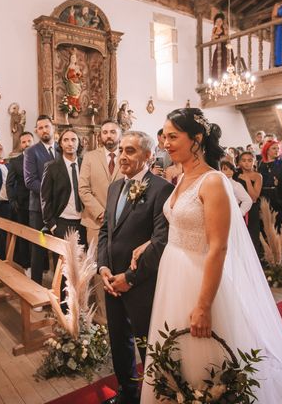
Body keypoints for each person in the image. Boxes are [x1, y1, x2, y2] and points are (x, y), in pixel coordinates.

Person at [140, 108, 282, 403]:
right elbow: (179, 223)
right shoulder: (181, 178)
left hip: (198, 275)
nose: (165, 142)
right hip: (172, 272)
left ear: (197, 139)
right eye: (164, 136)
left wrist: (204, 305)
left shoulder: (213, 181)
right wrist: (146, 245)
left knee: (201, 356)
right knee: (174, 348)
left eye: (173, 136)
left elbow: (218, 246)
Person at [98, 131, 174, 404]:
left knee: (147, 342)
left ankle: (156, 396)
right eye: (121, 150)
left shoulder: (161, 189)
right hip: (111, 281)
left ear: (148, 156)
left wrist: (129, 278)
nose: (122, 156)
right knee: (119, 341)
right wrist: (103, 268)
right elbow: (105, 230)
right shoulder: (114, 187)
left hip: (142, 283)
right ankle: (127, 393)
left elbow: (161, 241)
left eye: (130, 151)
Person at [24, 115, 59, 284]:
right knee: (38, 249)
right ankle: (35, 288)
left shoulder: (62, 149)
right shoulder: (31, 151)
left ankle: (62, 290)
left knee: (61, 249)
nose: (44, 130)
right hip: (38, 208)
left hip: (60, 208)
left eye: (47, 126)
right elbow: (30, 181)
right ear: (37, 131)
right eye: (40, 128)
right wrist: (51, 194)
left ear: (53, 128)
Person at [79, 120, 123, 247]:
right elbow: (83, 189)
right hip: (95, 221)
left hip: (121, 221)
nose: (108, 135)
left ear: (120, 135)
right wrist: (100, 213)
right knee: (96, 261)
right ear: (100, 136)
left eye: (113, 132)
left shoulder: (127, 157)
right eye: (105, 132)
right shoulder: (89, 157)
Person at [40, 129, 87, 243]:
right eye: (66, 140)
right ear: (60, 143)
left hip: (84, 223)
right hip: (61, 223)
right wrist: (52, 225)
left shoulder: (86, 164)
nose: (70, 143)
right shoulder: (52, 167)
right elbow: (45, 198)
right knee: (63, 261)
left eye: (73, 140)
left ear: (79, 143)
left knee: (84, 259)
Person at [6, 131, 34, 269]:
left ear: (33, 142)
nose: (27, 144)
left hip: (40, 205)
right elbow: (9, 183)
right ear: (20, 144)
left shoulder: (41, 158)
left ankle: (42, 265)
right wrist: (12, 200)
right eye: (24, 142)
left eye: (29, 141)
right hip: (22, 205)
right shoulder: (15, 162)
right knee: (24, 236)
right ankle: (26, 265)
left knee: (39, 236)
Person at [236, 151, 263, 256]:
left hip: (252, 210)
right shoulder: (235, 174)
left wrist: (247, 180)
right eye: (244, 160)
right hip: (238, 208)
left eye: (250, 160)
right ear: (239, 162)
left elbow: (254, 197)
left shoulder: (257, 176)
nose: (247, 163)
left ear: (254, 162)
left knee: (251, 235)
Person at [209, 12, 234, 79]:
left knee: (226, 64)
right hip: (218, 49)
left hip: (226, 47)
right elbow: (212, 40)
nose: (218, 22)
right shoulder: (214, 30)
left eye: (220, 21)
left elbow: (226, 37)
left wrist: (217, 37)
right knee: (217, 65)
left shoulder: (225, 27)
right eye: (216, 21)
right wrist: (216, 37)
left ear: (222, 21)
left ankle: (228, 78)